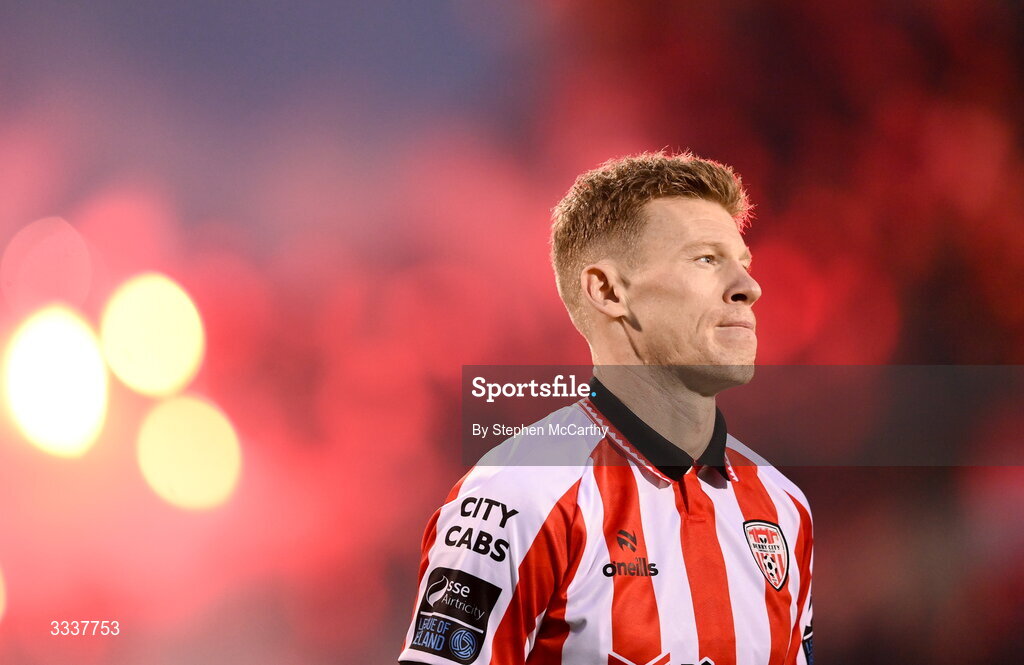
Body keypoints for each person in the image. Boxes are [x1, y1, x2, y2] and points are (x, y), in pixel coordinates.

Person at [399, 152, 814, 665]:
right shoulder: (519, 494)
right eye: (706, 259)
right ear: (608, 290)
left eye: (743, 263)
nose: (749, 287)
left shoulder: (784, 506)